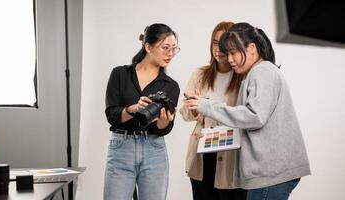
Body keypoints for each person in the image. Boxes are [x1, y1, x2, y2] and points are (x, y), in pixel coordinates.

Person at [184, 22, 311, 200]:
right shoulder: (257, 72)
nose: (229, 59)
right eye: (227, 53)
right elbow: (249, 121)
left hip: (269, 173)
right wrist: (210, 137)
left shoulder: (262, 72)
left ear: (251, 48)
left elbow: (253, 117)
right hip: (266, 172)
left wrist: (205, 105)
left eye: (233, 52)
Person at [104, 23, 180, 200]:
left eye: (174, 49)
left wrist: (163, 123)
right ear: (148, 47)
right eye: (165, 48)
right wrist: (133, 109)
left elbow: (164, 128)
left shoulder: (171, 86)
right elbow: (112, 116)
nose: (170, 54)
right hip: (121, 148)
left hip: (154, 149)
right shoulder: (120, 74)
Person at [179, 21, 246, 200]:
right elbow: (184, 113)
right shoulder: (200, 74)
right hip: (202, 154)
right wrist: (194, 108)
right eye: (215, 43)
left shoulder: (243, 77)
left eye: (224, 43)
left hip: (231, 157)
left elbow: (245, 116)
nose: (218, 49)